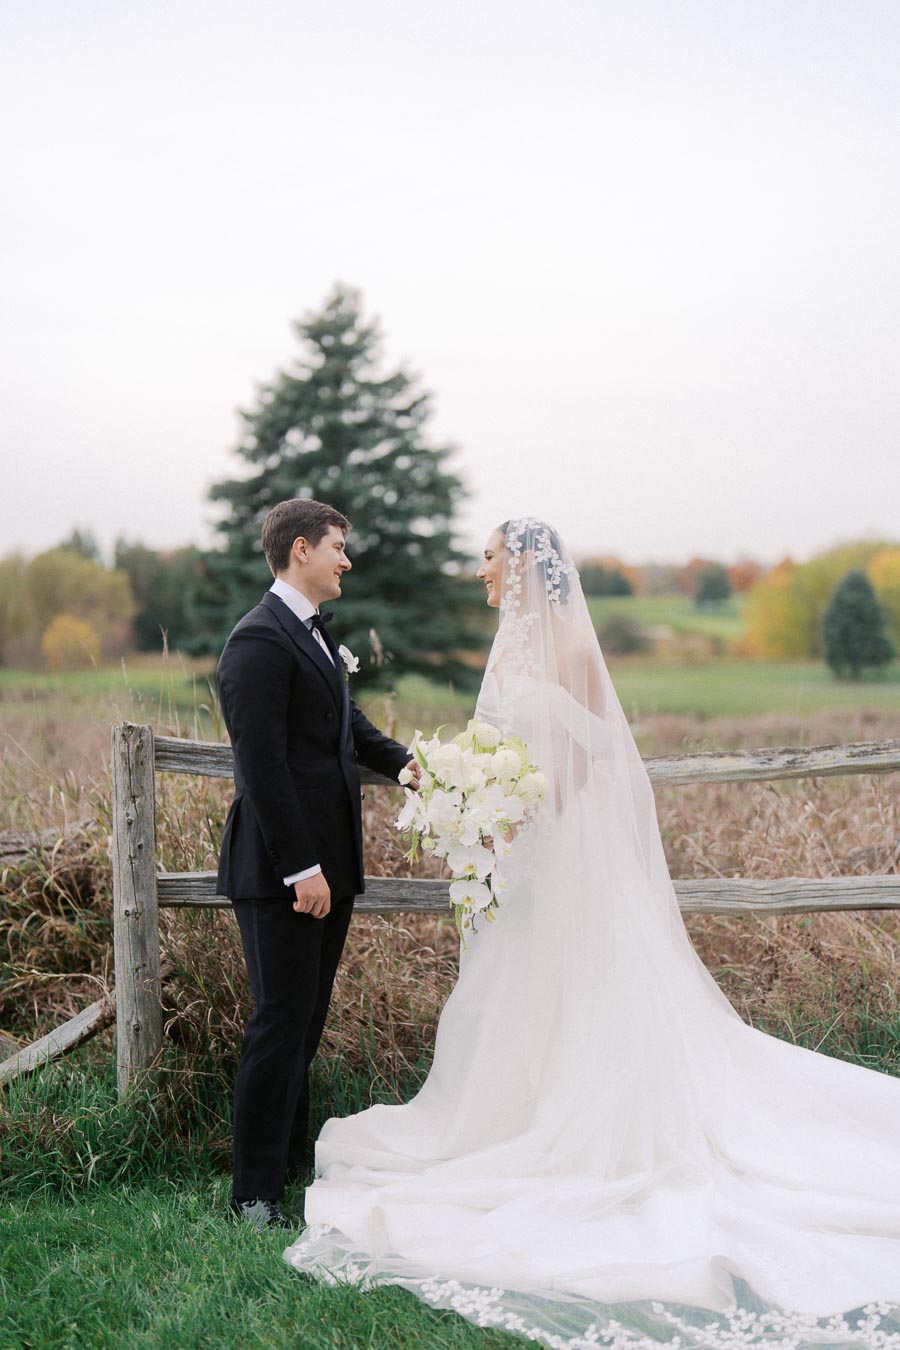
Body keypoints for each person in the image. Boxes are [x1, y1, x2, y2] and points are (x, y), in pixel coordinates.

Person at [283, 517, 900, 1348]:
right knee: (518, 993)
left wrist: (509, 810)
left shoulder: (570, 650)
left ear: (527, 567)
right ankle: (517, 1118)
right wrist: (471, 800)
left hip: (561, 852)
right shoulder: (506, 644)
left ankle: (586, 1132)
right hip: (520, 859)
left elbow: (593, 751)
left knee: (584, 985)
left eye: (491, 559)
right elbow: (503, 748)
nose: (481, 573)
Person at [216, 497, 419, 1230]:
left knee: (303, 1023)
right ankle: (253, 1193)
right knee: (278, 1023)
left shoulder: (311, 636)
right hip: (281, 871)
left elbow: (347, 728)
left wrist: (407, 765)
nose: (346, 559)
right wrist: (301, 868)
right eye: (338, 546)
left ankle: (291, 1165)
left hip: (327, 868)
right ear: (300, 550)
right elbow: (262, 766)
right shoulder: (257, 642)